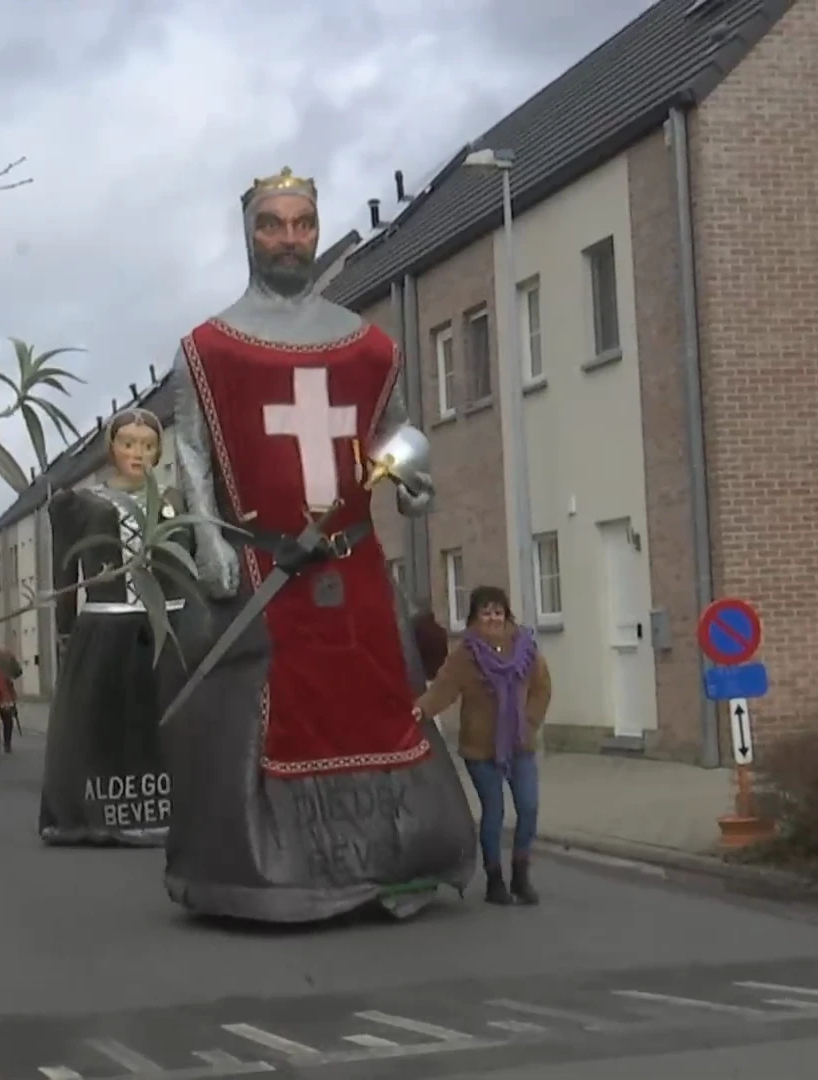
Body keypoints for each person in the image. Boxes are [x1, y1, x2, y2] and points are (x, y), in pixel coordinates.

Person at [161, 167, 475, 921]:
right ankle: (271, 877)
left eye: (303, 223)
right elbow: (193, 453)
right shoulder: (209, 350)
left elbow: (390, 429)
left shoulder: (365, 347)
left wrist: (413, 472)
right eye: (273, 224)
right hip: (266, 573)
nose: (290, 239)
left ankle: (393, 863)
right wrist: (209, 545)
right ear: (249, 235)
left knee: (378, 706)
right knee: (269, 716)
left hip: (354, 573)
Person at [39, 407, 187, 847]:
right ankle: (98, 812)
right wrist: (65, 626)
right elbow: (65, 572)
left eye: (147, 444)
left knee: (168, 720)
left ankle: (173, 806)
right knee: (105, 723)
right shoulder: (83, 504)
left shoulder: (177, 502)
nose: (137, 453)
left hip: (168, 627)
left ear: (159, 450)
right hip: (108, 629)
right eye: (127, 443)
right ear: (111, 449)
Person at [413, 586, 552, 906]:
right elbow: (444, 689)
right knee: (495, 812)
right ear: (475, 617)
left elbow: (542, 688)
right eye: (486, 613)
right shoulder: (466, 655)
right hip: (480, 749)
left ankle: (520, 874)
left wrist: (529, 721)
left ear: (506, 615)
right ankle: (494, 880)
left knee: (529, 807)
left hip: (520, 744)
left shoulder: (526, 648)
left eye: (498, 612)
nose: (493, 618)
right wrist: (420, 709)